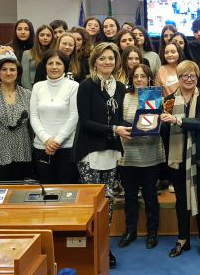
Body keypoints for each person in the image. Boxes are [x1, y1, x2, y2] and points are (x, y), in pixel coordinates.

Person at [74, 42, 131, 270]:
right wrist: (114, 129)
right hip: (89, 151)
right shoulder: (86, 86)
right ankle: (88, 247)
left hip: (110, 151)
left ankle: (104, 247)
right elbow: (85, 121)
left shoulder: (120, 87)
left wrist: (142, 125)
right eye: (103, 58)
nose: (107, 62)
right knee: (91, 204)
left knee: (107, 203)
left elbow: (120, 118)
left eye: (111, 58)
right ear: (94, 61)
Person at [160, 60, 200, 258]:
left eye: (192, 76)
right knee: (181, 201)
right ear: (178, 79)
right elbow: (164, 131)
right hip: (177, 158)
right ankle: (183, 239)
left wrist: (177, 120)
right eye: (184, 76)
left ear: (197, 78)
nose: (188, 79)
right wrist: (157, 121)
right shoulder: (169, 100)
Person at [117, 64, 165, 250]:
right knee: (130, 196)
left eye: (143, 76)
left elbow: (157, 122)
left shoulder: (155, 97)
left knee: (150, 196)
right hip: (128, 154)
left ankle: (152, 232)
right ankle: (130, 231)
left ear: (149, 79)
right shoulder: (125, 97)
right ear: (131, 79)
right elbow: (119, 121)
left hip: (150, 153)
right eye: (135, 76)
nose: (139, 79)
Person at [30, 50, 80, 184]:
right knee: (47, 191)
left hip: (66, 147)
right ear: (45, 66)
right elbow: (34, 116)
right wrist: (47, 140)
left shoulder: (74, 86)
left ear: (65, 66)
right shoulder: (37, 87)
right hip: (41, 146)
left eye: (58, 63)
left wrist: (56, 141)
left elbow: (74, 116)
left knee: (67, 191)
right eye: (50, 63)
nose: (54, 67)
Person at [21, 24, 55, 89]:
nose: (45, 38)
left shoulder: (56, 54)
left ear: (52, 37)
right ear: (37, 37)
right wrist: (33, 93)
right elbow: (24, 79)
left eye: (48, 35)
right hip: (32, 89)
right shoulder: (27, 53)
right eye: (42, 35)